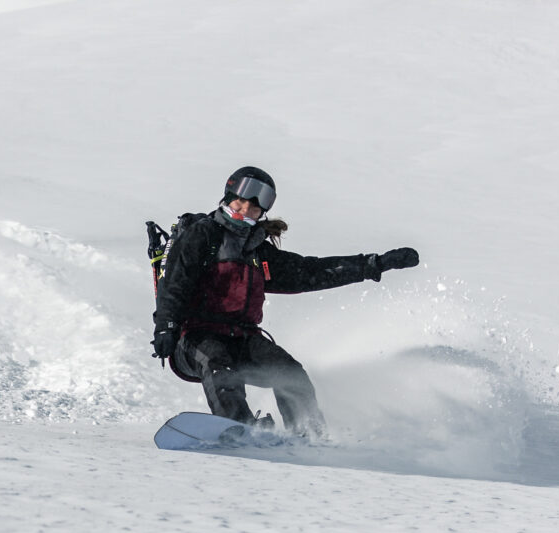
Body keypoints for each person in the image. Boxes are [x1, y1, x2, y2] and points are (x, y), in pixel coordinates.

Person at [151, 166, 419, 437]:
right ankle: (239, 430)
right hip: (193, 337)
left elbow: (311, 272)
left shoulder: (258, 251)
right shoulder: (203, 235)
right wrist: (166, 327)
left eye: (256, 207)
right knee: (219, 364)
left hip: (242, 338)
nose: (246, 209)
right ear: (229, 196)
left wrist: (374, 265)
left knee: (290, 373)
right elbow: (175, 282)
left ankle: (308, 435)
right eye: (241, 200)